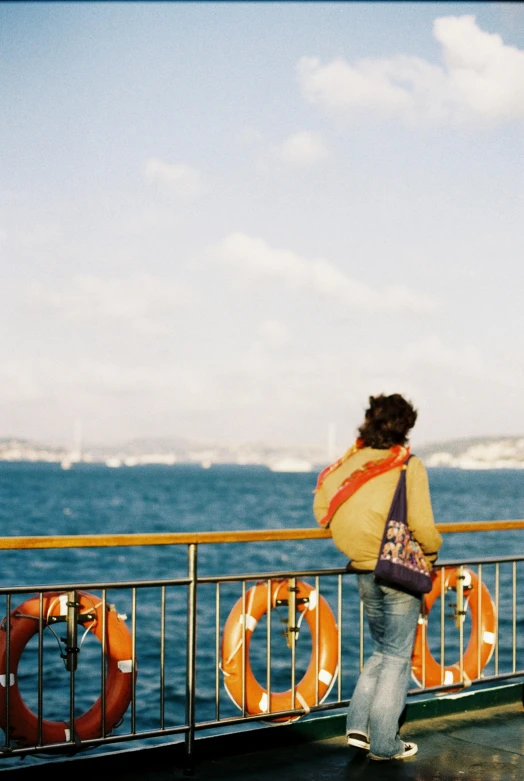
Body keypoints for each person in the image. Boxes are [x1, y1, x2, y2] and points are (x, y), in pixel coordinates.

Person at [313, 393, 442, 761]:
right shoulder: (406, 465)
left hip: (363, 569)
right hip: (398, 570)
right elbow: (422, 526)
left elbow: (322, 505)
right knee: (398, 657)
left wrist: (358, 540)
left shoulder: (352, 461)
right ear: (406, 427)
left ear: (369, 422)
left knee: (382, 651)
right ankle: (386, 744)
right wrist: (429, 556)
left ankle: (357, 727)